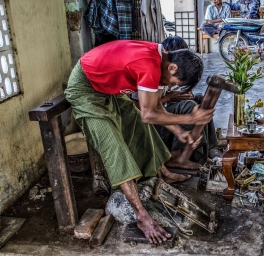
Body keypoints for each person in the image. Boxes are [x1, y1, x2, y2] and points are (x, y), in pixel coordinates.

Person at [65, 40, 214, 244]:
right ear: (172, 66)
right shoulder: (149, 65)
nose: (170, 87)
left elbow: (154, 110)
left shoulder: (163, 61)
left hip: (107, 89)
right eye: (173, 82)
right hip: (85, 88)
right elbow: (149, 114)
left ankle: (165, 173)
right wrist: (190, 119)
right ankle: (143, 217)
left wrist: (180, 131)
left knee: (138, 123)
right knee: (113, 144)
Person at [131, 36, 218, 168]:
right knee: (189, 107)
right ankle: (176, 155)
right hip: (148, 121)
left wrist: (182, 94)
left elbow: (162, 98)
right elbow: (141, 108)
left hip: (162, 108)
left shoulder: (164, 68)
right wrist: (171, 98)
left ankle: (208, 148)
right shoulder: (150, 70)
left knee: (199, 100)